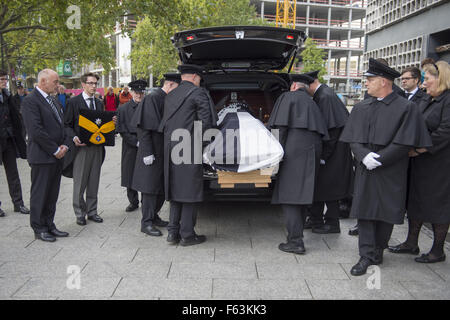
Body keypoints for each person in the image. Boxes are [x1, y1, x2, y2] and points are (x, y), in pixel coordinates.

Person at [340, 58, 432, 276]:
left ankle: (378, 249)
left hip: (391, 169)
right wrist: (364, 156)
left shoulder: (406, 108)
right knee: (365, 212)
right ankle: (365, 255)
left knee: (385, 212)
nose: (366, 84)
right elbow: (353, 139)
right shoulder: (362, 107)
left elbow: (405, 142)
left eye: (370, 80)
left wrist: (379, 159)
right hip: (366, 168)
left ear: (383, 81)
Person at [389, 60, 450, 263]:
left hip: (439, 163)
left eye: (427, 79)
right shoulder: (428, 99)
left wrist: (421, 149)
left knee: (437, 205)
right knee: (415, 201)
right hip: (420, 162)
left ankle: (437, 250)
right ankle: (411, 242)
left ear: (440, 79)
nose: (424, 83)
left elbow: (445, 132)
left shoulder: (447, 100)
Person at [268, 74, 329, 254]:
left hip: (294, 152)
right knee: (302, 197)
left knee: (290, 198)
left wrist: (274, 155)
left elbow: (279, 129)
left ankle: (295, 242)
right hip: (312, 152)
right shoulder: (312, 102)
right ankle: (297, 237)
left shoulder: (288, 97)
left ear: (293, 86)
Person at [158, 64, 217, 246]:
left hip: (170, 148)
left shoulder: (171, 94)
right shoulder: (198, 93)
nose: (199, 82)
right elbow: (206, 125)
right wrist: (203, 146)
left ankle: (172, 233)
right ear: (194, 77)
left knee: (175, 191)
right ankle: (187, 235)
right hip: (189, 147)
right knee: (190, 192)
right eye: (199, 78)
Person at [21, 69, 70, 241]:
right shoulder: (30, 101)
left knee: (52, 193)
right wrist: (55, 150)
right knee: (40, 193)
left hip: (57, 155)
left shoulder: (54, 100)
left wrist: (64, 144)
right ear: (43, 81)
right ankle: (39, 227)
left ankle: (49, 224)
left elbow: (61, 125)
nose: (58, 85)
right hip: (42, 157)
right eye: (55, 81)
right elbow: (36, 131)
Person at [303, 70, 354, 234]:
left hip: (333, 152)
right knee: (321, 186)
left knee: (331, 188)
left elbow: (331, 130)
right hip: (332, 150)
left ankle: (332, 223)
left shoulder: (325, 97)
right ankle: (316, 218)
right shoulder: (324, 94)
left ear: (311, 84)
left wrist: (323, 156)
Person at [130, 73, 180, 237]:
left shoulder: (164, 97)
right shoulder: (153, 98)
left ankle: (155, 216)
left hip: (163, 150)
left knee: (159, 187)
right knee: (150, 189)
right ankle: (146, 223)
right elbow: (143, 128)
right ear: (171, 85)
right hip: (152, 150)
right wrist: (147, 152)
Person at [64, 72, 113, 226]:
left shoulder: (99, 102)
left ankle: (92, 211)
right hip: (81, 149)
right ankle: (80, 213)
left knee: (94, 180)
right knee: (80, 181)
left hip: (97, 148)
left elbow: (100, 123)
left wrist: (111, 122)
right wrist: (73, 138)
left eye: (95, 84)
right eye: (90, 83)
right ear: (83, 84)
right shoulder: (74, 102)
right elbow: (66, 125)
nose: (93, 86)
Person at [0, 70, 29, 216]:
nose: (4, 81)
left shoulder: (7, 95)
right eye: (1, 79)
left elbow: (14, 117)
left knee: (13, 173)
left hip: (9, 139)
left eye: (5, 79)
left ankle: (19, 203)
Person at [117, 79, 147, 213]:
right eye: (136, 92)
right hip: (130, 146)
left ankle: (145, 201)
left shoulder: (149, 107)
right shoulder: (123, 109)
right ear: (131, 92)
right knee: (130, 174)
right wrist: (136, 142)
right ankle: (133, 201)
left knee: (147, 174)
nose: (139, 95)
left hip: (147, 145)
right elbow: (122, 129)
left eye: (141, 93)